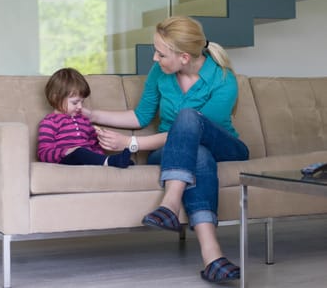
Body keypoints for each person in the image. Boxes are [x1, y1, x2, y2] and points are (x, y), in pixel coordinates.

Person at [83, 15, 249, 283]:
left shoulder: (223, 79)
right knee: (199, 155)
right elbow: (140, 117)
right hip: (179, 153)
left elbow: (192, 129)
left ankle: (169, 204)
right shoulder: (160, 73)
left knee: (188, 118)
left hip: (225, 147)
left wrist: (130, 143)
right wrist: (91, 115)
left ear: (184, 57)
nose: (154, 59)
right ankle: (212, 257)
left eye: (160, 54)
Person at [37, 67, 134, 168]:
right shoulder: (49, 122)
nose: (80, 107)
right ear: (56, 98)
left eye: (82, 102)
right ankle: (111, 162)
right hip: (67, 159)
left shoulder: (84, 120)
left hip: (86, 158)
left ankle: (110, 161)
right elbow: (43, 153)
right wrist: (67, 151)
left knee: (85, 152)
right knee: (80, 152)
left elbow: (94, 145)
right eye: (75, 102)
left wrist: (98, 150)